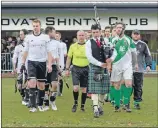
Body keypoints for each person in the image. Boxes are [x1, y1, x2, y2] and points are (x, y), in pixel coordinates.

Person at [21, 19, 52, 112]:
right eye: (34, 26)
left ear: (40, 26)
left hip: (42, 62)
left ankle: (40, 104)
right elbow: (25, 51)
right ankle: (33, 106)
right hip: (31, 62)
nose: (35, 27)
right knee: (32, 83)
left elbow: (49, 52)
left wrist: (49, 64)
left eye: (37, 26)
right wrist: (23, 62)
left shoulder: (45, 37)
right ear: (32, 27)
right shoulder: (28, 37)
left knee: (41, 85)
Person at [106, 22, 138, 112]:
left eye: (120, 27)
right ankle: (117, 105)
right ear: (115, 29)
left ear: (123, 29)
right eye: (117, 28)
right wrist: (109, 65)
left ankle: (126, 104)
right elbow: (109, 54)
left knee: (128, 83)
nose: (119, 29)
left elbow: (134, 53)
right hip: (116, 66)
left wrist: (135, 63)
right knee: (116, 85)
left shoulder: (128, 39)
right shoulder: (112, 40)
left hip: (127, 65)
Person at [86, 24, 110, 118]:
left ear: (100, 32)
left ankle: (99, 105)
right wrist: (100, 64)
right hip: (95, 67)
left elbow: (111, 52)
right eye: (93, 32)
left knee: (103, 90)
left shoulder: (106, 40)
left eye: (97, 32)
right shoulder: (89, 42)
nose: (95, 34)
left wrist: (109, 61)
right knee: (95, 90)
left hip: (104, 68)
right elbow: (89, 57)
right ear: (92, 32)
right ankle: (95, 108)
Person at [65, 30, 89, 112]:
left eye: (83, 35)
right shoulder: (73, 46)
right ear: (77, 36)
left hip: (86, 68)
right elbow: (69, 58)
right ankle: (75, 103)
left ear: (85, 36)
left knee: (84, 89)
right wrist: (67, 69)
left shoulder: (88, 46)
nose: (81, 37)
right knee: (75, 88)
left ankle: (82, 106)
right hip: (75, 68)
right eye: (80, 35)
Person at [131, 29, 152, 109]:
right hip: (128, 69)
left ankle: (137, 102)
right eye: (134, 34)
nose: (136, 35)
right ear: (132, 35)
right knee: (127, 86)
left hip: (139, 69)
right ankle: (126, 102)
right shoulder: (127, 43)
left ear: (139, 35)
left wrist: (148, 65)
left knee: (138, 86)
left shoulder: (143, 45)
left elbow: (148, 55)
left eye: (137, 34)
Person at [43, 26, 60, 111]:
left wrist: (60, 66)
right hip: (44, 66)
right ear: (50, 32)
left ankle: (52, 101)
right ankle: (46, 104)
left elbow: (58, 55)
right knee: (45, 87)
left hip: (53, 66)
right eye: (54, 32)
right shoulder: (43, 42)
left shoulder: (56, 43)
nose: (55, 33)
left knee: (54, 84)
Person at [12, 29, 29, 106]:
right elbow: (14, 58)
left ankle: (26, 98)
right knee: (19, 86)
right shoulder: (18, 46)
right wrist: (14, 68)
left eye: (21, 34)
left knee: (27, 83)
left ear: (25, 35)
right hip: (20, 68)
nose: (20, 36)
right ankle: (24, 96)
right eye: (20, 34)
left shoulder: (29, 44)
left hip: (28, 67)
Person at [55, 32, 67, 96]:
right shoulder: (53, 44)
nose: (56, 37)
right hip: (54, 63)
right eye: (55, 36)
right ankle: (55, 91)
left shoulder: (63, 44)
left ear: (60, 37)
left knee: (60, 77)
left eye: (57, 36)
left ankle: (60, 92)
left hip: (61, 62)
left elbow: (65, 54)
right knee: (55, 78)